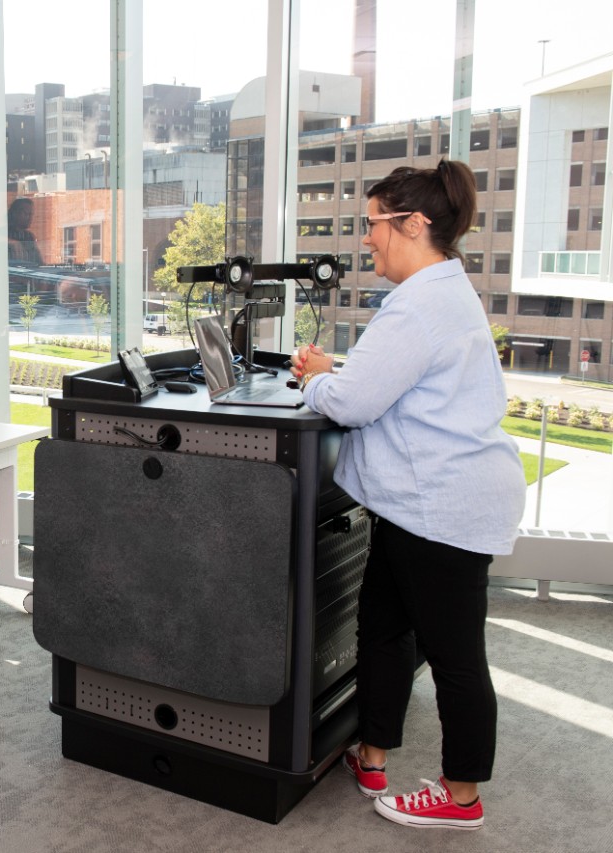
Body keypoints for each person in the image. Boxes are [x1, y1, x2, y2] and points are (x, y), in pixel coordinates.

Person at [290, 160, 525, 831]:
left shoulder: (420, 304)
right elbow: (389, 380)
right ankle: (372, 754)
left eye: (374, 224)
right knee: (384, 627)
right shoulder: (441, 290)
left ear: (414, 224)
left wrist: (315, 380)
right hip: (416, 504)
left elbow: (354, 402)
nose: (367, 238)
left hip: (445, 507)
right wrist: (336, 372)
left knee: (456, 657)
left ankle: (461, 796)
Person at [7, 197, 43, 266]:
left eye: (31, 214)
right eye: (26, 214)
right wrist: (12, 242)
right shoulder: (4, 232)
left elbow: (39, 262)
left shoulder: (29, 236)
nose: (30, 218)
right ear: (15, 214)